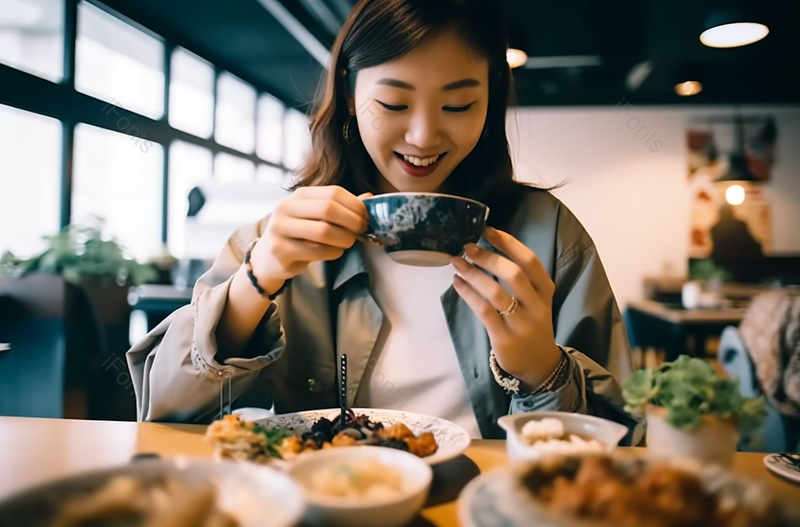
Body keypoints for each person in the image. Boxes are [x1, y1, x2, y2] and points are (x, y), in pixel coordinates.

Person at [127, 0, 640, 442]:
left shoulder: (547, 236)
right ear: (350, 94)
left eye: (459, 104)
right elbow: (165, 418)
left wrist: (541, 371)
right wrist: (255, 283)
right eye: (394, 102)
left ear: (490, 102)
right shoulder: (278, 238)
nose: (423, 135)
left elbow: (624, 444)